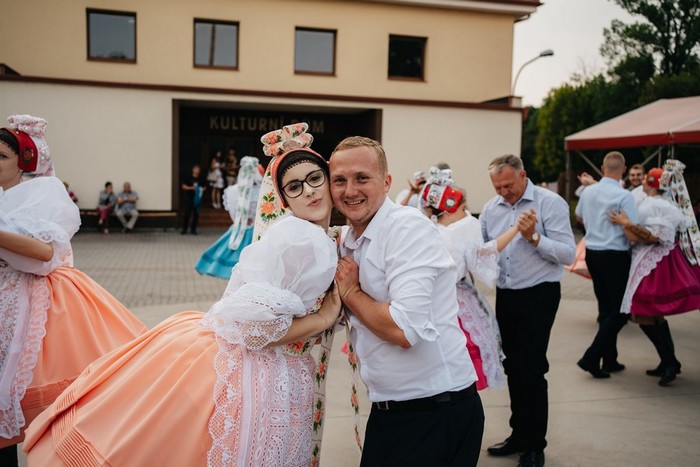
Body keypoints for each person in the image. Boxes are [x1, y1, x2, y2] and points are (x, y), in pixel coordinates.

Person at [24, 144, 343, 467]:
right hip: (253, 364)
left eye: (315, 178)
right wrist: (323, 319)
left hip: (218, 344)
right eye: (294, 186)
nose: (309, 191)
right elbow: (254, 329)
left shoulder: (304, 233)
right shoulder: (305, 239)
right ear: (284, 200)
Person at [0, 114, 147, 465]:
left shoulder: (43, 194)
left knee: (41, 404)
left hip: (33, 300)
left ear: (24, 162)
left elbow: (44, 253)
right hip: (7, 294)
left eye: (2, 156)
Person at [330, 136, 484, 467]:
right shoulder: (350, 238)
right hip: (392, 410)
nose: (349, 190)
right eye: (339, 180)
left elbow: (403, 330)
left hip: (435, 410)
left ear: (386, 182)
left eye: (362, 178)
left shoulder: (407, 228)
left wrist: (352, 293)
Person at [480, 154, 575, 467]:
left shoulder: (550, 203)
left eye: (508, 185)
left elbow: (568, 254)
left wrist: (534, 237)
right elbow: (484, 250)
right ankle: (519, 435)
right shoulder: (491, 209)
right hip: (507, 295)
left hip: (539, 293)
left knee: (531, 369)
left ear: (523, 175)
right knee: (513, 367)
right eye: (497, 187)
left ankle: (534, 445)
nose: (503, 192)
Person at [420, 167, 523, 391]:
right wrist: (516, 229)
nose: (467, 211)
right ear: (449, 207)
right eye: (463, 207)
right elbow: (485, 253)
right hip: (454, 299)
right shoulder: (466, 227)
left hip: (427, 298)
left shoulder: (425, 228)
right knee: (464, 350)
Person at [609, 162, 700, 386]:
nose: (642, 181)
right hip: (656, 261)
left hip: (653, 263)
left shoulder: (654, 206)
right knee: (653, 315)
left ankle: (669, 361)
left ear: (651, 183)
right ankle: (668, 361)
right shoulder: (664, 205)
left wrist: (626, 223)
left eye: (645, 178)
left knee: (644, 314)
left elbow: (655, 237)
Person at [576, 151, 639, 380]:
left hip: (593, 253)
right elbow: (632, 229)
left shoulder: (588, 192)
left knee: (606, 308)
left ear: (603, 169)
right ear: (624, 170)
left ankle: (610, 359)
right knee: (622, 311)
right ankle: (592, 357)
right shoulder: (624, 196)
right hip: (615, 254)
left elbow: (579, 216)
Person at [196, 156, 263, 278]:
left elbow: (235, 213)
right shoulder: (239, 191)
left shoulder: (252, 190)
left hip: (249, 229)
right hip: (251, 229)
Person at [181, 164, 204, 235]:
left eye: (198, 169)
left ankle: (193, 229)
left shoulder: (200, 179)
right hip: (189, 198)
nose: (197, 171)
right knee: (187, 214)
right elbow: (183, 186)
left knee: (196, 215)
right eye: (196, 169)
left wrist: (200, 189)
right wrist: (191, 188)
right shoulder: (189, 178)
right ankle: (184, 229)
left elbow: (204, 187)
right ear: (193, 170)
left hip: (197, 200)